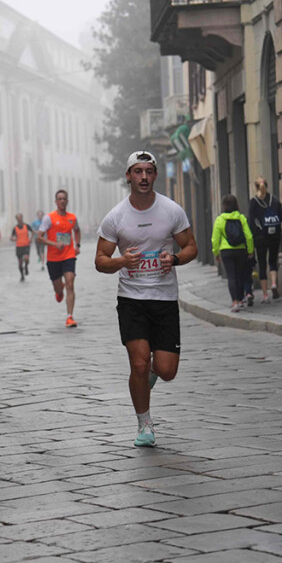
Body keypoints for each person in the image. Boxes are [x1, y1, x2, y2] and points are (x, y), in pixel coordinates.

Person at [95, 150, 197, 448]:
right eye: (137, 171)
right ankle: (145, 424)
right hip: (132, 299)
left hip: (164, 298)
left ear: (154, 175)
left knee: (166, 371)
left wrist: (175, 259)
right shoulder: (116, 216)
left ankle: (153, 371)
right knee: (138, 364)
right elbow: (100, 260)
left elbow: (192, 247)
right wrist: (122, 261)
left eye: (149, 171)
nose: (143, 177)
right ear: (128, 176)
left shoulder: (171, 210)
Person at [38, 190, 81, 328]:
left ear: (67, 201)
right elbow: (39, 237)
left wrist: (78, 245)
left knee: (70, 283)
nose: (62, 201)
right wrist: (54, 244)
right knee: (58, 288)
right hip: (53, 258)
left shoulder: (72, 218)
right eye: (59, 199)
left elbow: (77, 230)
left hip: (68, 256)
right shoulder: (49, 218)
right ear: (56, 202)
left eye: (64, 199)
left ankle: (70, 317)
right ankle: (59, 290)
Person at [212, 195, 255, 313]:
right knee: (240, 274)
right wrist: (250, 251)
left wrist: (216, 253)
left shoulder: (220, 220)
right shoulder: (241, 218)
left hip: (226, 251)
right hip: (240, 250)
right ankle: (241, 300)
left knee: (231, 276)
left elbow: (215, 239)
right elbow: (249, 236)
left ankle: (234, 302)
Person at [249, 177, 282, 303]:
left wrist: (252, 239)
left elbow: (251, 223)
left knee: (262, 264)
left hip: (260, 237)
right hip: (274, 235)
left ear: (256, 187)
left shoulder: (253, 202)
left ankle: (265, 295)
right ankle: (274, 283)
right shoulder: (274, 200)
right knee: (273, 261)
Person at [10, 212, 34, 281]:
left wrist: (31, 239)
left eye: (20, 218)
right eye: (18, 218)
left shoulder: (26, 226)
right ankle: (22, 275)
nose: (19, 219)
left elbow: (32, 231)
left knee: (26, 258)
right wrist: (14, 239)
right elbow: (11, 237)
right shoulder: (15, 228)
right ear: (17, 219)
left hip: (26, 245)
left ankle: (26, 266)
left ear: (22, 218)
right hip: (19, 246)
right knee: (20, 263)